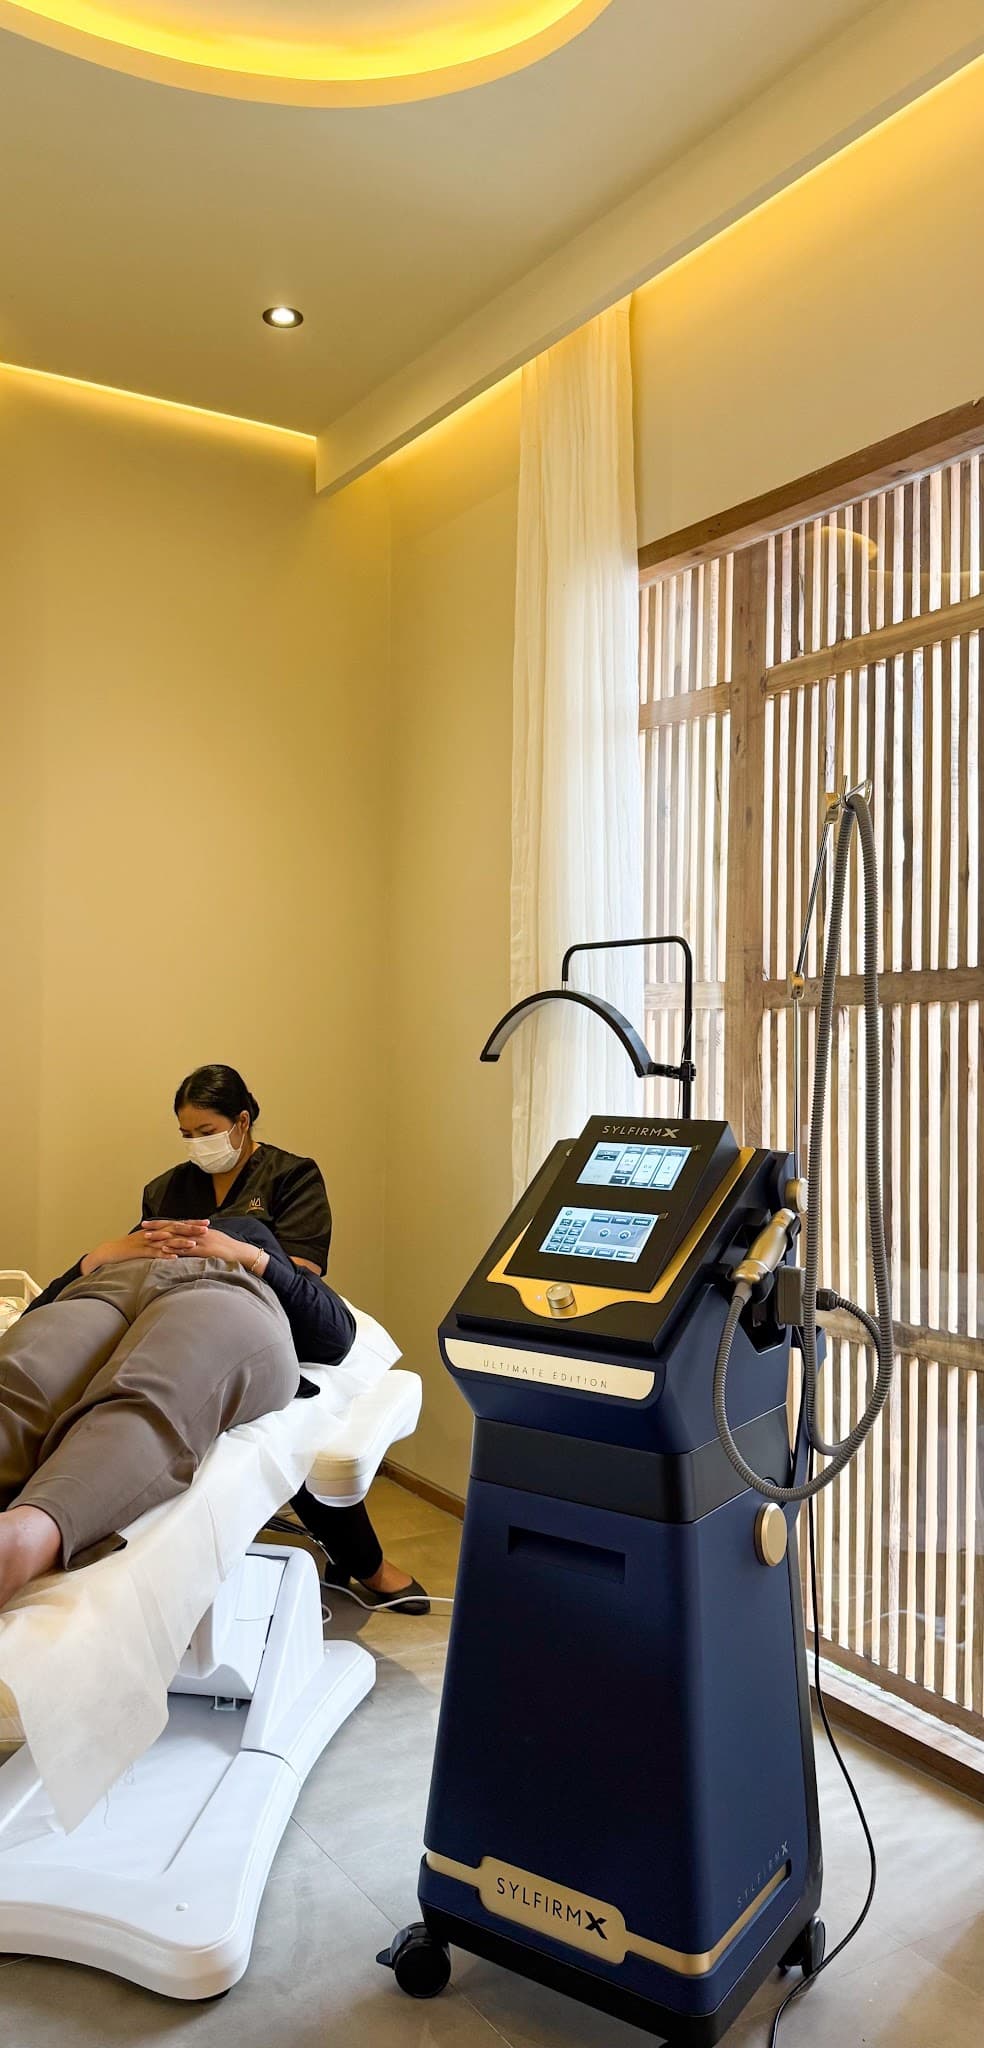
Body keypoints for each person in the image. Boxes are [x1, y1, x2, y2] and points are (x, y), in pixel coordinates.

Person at [142, 1064, 428, 1613]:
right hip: (192, 1324)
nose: (197, 1145)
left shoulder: (292, 1176)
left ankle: (363, 1562)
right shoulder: (165, 1190)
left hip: (284, 1322)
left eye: (207, 1132)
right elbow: (153, 1264)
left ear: (241, 1121)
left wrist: (236, 1251)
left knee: (290, 1427)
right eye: (187, 1136)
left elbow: (297, 1273)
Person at [0, 1223, 311, 1609]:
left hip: (227, 1286)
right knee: (20, 1379)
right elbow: (36, 1309)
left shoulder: (254, 1239)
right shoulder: (135, 1235)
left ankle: (24, 1538)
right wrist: (94, 1260)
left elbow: (337, 1332)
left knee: (150, 1391)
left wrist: (249, 1255)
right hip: (106, 1285)